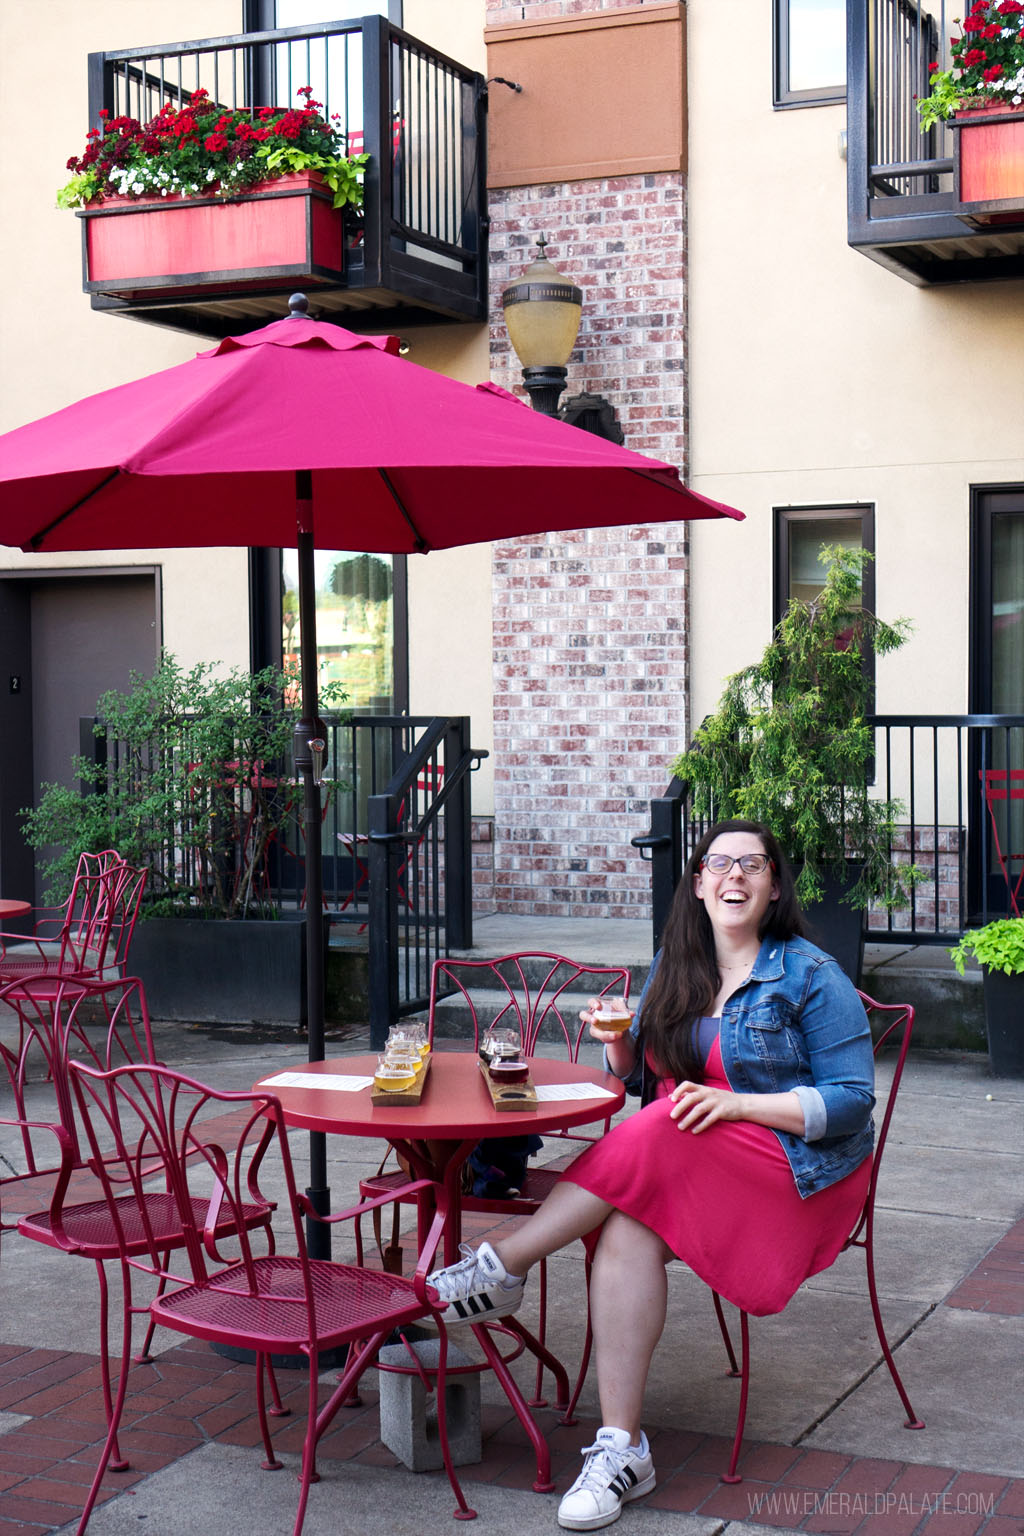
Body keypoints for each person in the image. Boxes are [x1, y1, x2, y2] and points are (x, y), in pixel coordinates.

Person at [427, 820, 876, 1532]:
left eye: (752, 864)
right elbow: (644, 1076)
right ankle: (622, 1447)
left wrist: (737, 1104)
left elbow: (853, 1103)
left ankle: (501, 1265)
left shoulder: (813, 976)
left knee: (666, 1123)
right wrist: (618, 1044)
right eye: (719, 863)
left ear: (774, 885)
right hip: (693, 1159)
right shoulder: (679, 962)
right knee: (626, 1224)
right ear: (697, 884)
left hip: (798, 1175)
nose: (735, 875)